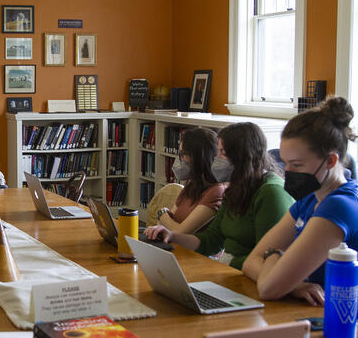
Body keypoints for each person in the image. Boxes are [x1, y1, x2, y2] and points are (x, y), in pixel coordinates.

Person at [242, 97, 358, 306]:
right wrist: (294, 285)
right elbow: (250, 263)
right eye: (285, 163)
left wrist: (273, 254)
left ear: (330, 161)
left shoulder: (338, 206)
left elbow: (269, 288)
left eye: (296, 165)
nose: (287, 172)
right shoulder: (310, 199)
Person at [145, 122, 294, 270]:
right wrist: (171, 236)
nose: (216, 158)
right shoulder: (236, 187)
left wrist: (228, 263)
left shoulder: (271, 193)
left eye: (222, 152)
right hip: (230, 269)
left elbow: (268, 258)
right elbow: (211, 240)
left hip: (250, 276)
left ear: (242, 156)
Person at [156, 127, 225, 234]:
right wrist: (165, 218)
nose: (180, 159)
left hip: (190, 249)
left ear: (198, 157)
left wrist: (162, 213)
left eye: (183, 154)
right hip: (173, 245)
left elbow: (180, 232)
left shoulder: (216, 191)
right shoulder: (192, 184)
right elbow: (164, 223)